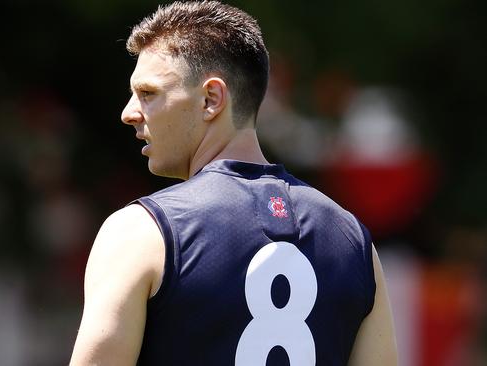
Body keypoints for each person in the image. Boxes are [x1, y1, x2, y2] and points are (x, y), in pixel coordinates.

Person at [70, 1, 398, 365]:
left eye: (148, 93)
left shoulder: (141, 232)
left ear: (211, 99)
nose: (128, 113)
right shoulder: (354, 242)